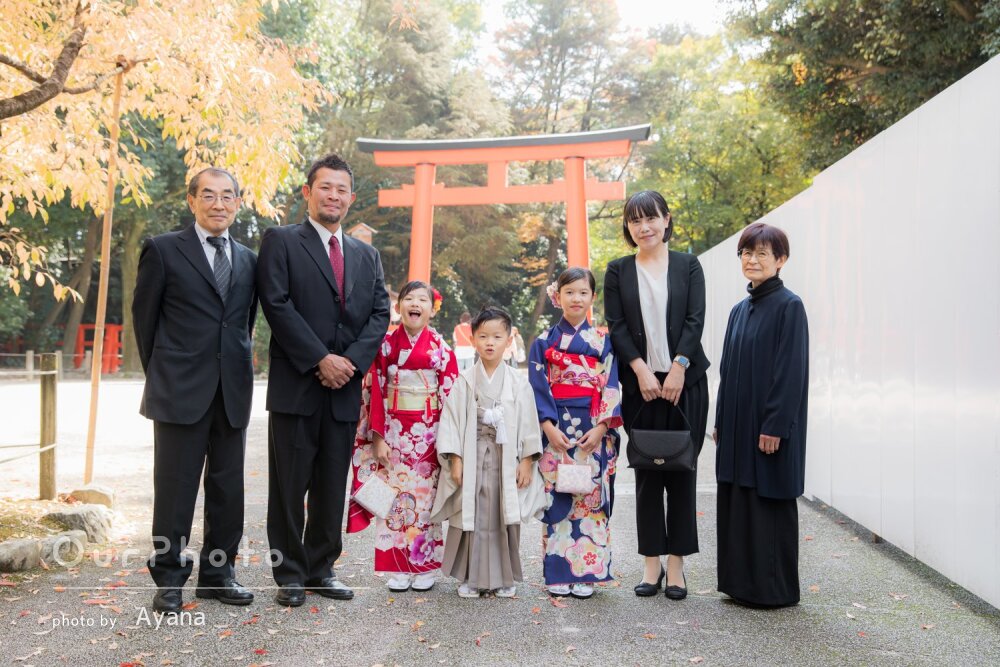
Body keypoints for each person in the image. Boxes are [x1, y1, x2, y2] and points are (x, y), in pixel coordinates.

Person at [256, 153, 390, 607]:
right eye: (325, 187)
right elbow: (276, 304)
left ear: (351, 198)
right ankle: (289, 573)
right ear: (307, 192)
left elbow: (378, 314)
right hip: (297, 385)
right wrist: (319, 359)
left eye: (341, 189)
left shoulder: (365, 254)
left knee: (333, 484)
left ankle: (321, 567)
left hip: (343, 388)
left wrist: (348, 363)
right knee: (289, 487)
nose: (333, 195)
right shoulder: (281, 241)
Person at [132, 167, 258, 613]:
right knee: (175, 490)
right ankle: (168, 578)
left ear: (238, 204)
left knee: (228, 492)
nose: (218, 203)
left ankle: (218, 574)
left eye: (227, 196)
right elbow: (144, 323)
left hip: (232, 393)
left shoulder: (247, 258)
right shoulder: (164, 250)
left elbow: (242, 324)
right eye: (208, 195)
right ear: (192, 201)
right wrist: (167, 374)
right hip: (178, 392)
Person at [604, 190, 710, 601]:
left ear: (666, 219)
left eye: (651, 218)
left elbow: (695, 318)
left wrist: (679, 365)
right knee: (647, 471)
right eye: (635, 221)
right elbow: (615, 326)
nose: (643, 227)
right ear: (628, 228)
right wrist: (641, 369)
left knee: (682, 470)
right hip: (641, 385)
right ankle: (652, 562)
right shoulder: (617, 271)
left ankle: (678, 565)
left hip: (686, 383)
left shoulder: (688, 265)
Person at [713, 222, 809, 608]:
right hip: (737, 425)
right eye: (746, 253)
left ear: (781, 260)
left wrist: (775, 425)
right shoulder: (740, 310)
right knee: (739, 499)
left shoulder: (790, 306)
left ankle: (773, 590)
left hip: (768, 428)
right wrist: (720, 419)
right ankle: (741, 584)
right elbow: (727, 370)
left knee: (768, 502)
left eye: (762, 253)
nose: (752, 260)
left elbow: (791, 372)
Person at [346, 281, 459, 592]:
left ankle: (425, 566)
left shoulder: (441, 348)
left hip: (429, 435)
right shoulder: (385, 346)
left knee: (424, 502)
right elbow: (375, 389)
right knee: (394, 499)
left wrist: (447, 442)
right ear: (398, 308)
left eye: (423, 300)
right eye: (409, 298)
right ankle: (396, 565)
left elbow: (451, 397)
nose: (415, 304)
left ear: (432, 310)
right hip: (393, 433)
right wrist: (378, 437)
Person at [431, 306, 546, 598]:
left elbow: (529, 423)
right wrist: (455, 459)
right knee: (473, 513)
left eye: (497, 336)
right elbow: (452, 422)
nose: (490, 342)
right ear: (473, 340)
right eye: (483, 336)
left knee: (502, 512)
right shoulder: (466, 380)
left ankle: (504, 578)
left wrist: (527, 460)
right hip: (472, 453)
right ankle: (470, 577)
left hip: (506, 456)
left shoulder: (519, 382)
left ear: (509, 341)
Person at [528, 267, 623, 599]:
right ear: (558, 297)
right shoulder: (543, 342)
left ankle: (587, 573)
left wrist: (601, 428)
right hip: (557, 431)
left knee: (590, 501)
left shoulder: (603, 341)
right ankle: (558, 574)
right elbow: (537, 386)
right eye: (569, 292)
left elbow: (611, 384)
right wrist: (547, 427)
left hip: (592, 429)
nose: (576, 298)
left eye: (583, 292)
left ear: (592, 297)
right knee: (558, 498)